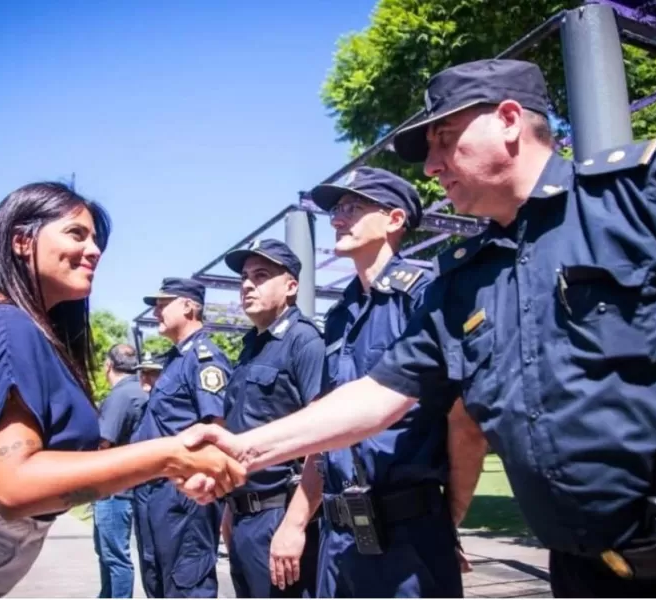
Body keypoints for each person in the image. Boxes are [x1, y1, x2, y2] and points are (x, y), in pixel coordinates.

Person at [179, 59, 656, 597]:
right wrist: (241, 449)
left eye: (445, 141)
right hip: (586, 567)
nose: (432, 166)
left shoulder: (639, 197)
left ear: (509, 120)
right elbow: (375, 396)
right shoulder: (462, 281)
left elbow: (461, 429)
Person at [0, 182, 244, 598]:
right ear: (20, 240)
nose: (95, 250)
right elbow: (14, 486)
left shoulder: (19, 326)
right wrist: (169, 455)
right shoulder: (4, 327)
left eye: (95, 239)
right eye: (76, 233)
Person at [266, 168, 485, 598]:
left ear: (394, 219)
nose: (337, 218)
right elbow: (327, 430)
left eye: (352, 207)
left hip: (410, 534)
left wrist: (447, 520)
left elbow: (464, 421)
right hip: (340, 539)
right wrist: (294, 523)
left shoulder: (425, 297)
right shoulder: (338, 317)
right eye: (335, 210)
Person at [221, 238, 324, 598]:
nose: (248, 284)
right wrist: (231, 511)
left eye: (261, 275)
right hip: (245, 516)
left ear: (291, 286)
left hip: (280, 516)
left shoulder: (304, 341)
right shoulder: (252, 346)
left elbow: (327, 438)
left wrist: (295, 525)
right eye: (244, 277)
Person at [130, 277, 233, 598]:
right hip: (154, 491)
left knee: (186, 584)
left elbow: (216, 426)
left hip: (184, 496)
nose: (157, 311)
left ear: (189, 306)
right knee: (157, 580)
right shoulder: (174, 359)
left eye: (164, 304)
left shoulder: (205, 358)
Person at [93, 343, 149, 598]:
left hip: (114, 490)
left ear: (108, 366)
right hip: (131, 487)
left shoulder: (120, 396)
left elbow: (103, 443)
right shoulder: (141, 390)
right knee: (112, 555)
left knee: (114, 557)